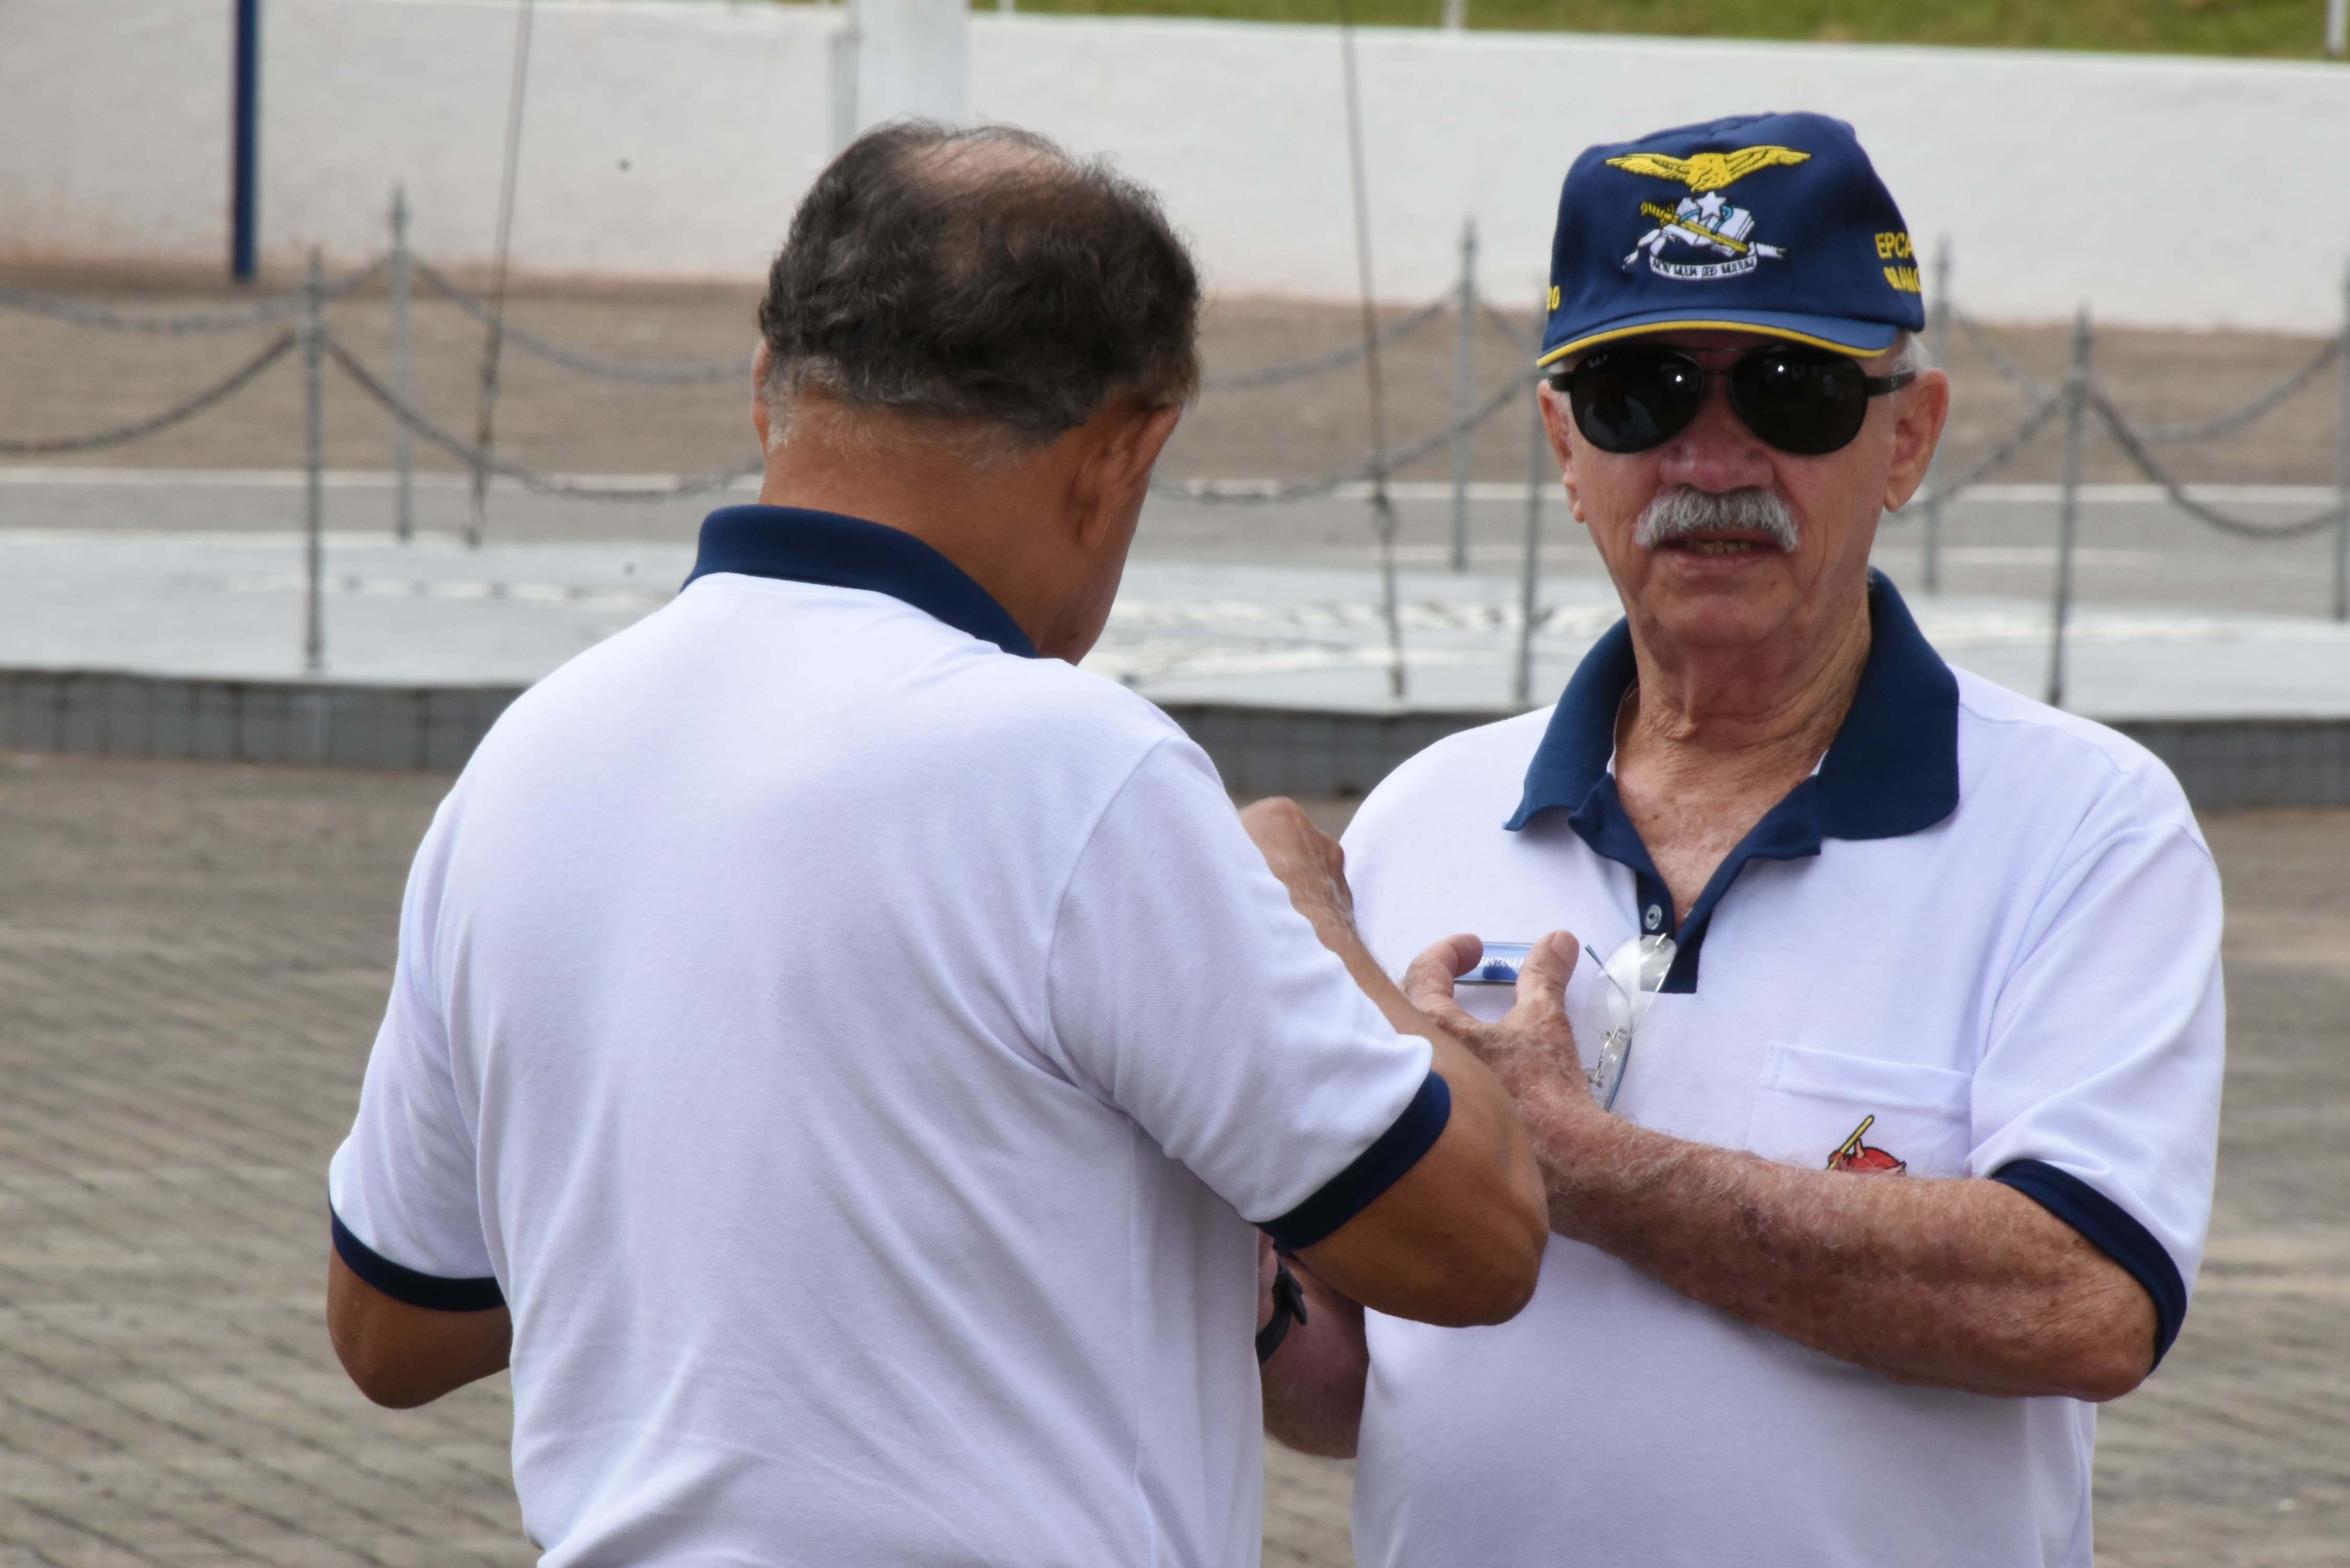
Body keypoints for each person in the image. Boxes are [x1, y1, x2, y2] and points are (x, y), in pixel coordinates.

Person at [323, 122, 1554, 1566]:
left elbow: (390, 1325)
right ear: (1125, 450)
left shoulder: (529, 755)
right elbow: (1477, 1244)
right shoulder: (1077, 769)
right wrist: (1313, 920)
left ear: (769, 387)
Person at [1260, 111, 2225, 1567]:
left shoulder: (2087, 826)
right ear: (1565, 446)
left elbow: (2083, 1302)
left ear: (1908, 437)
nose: (1713, 456)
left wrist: (1567, 1162)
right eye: (1637, 393)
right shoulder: (1424, 812)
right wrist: (1227, 1212)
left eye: (1795, 391)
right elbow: (1360, 1377)